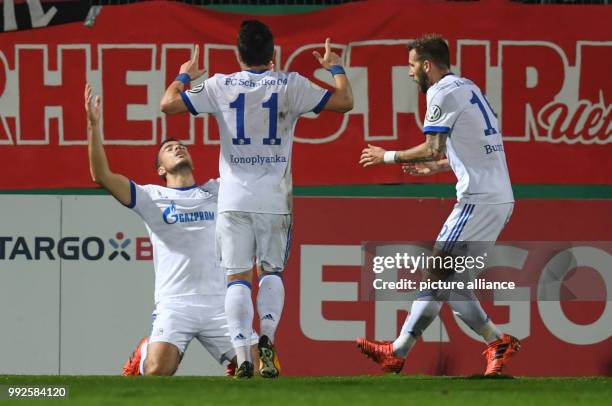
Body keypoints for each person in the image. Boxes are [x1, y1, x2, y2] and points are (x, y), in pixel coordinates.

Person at [160, 20, 353, 378]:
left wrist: (185, 75)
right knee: (272, 272)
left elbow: (168, 104)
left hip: (232, 199)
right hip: (275, 199)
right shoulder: (290, 83)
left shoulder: (219, 85)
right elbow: (344, 101)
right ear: (273, 54)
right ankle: (266, 338)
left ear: (238, 54)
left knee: (237, 278)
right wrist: (335, 69)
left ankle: (242, 355)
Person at [356, 34, 520, 376]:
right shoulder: (468, 87)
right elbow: (479, 144)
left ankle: (400, 351)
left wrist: (387, 156)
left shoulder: (441, 92)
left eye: (413, 64)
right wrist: (444, 166)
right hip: (497, 197)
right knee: (452, 282)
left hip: (478, 199)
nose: (410, 72)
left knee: (438, 273)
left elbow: (432, 146)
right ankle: (494, 341)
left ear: (427, 65)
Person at [84, 84, 255, 377]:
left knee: (266, 371)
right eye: (168, 148)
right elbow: (101, 176)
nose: (178, 147)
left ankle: (237, 366)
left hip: (221, 303)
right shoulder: (151, 197)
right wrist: (93, 126)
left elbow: (250, 164)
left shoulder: (218, 190)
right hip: (176, 304)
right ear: (161, 169)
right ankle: (145, 350)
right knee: (156, 372)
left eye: (182, 146)